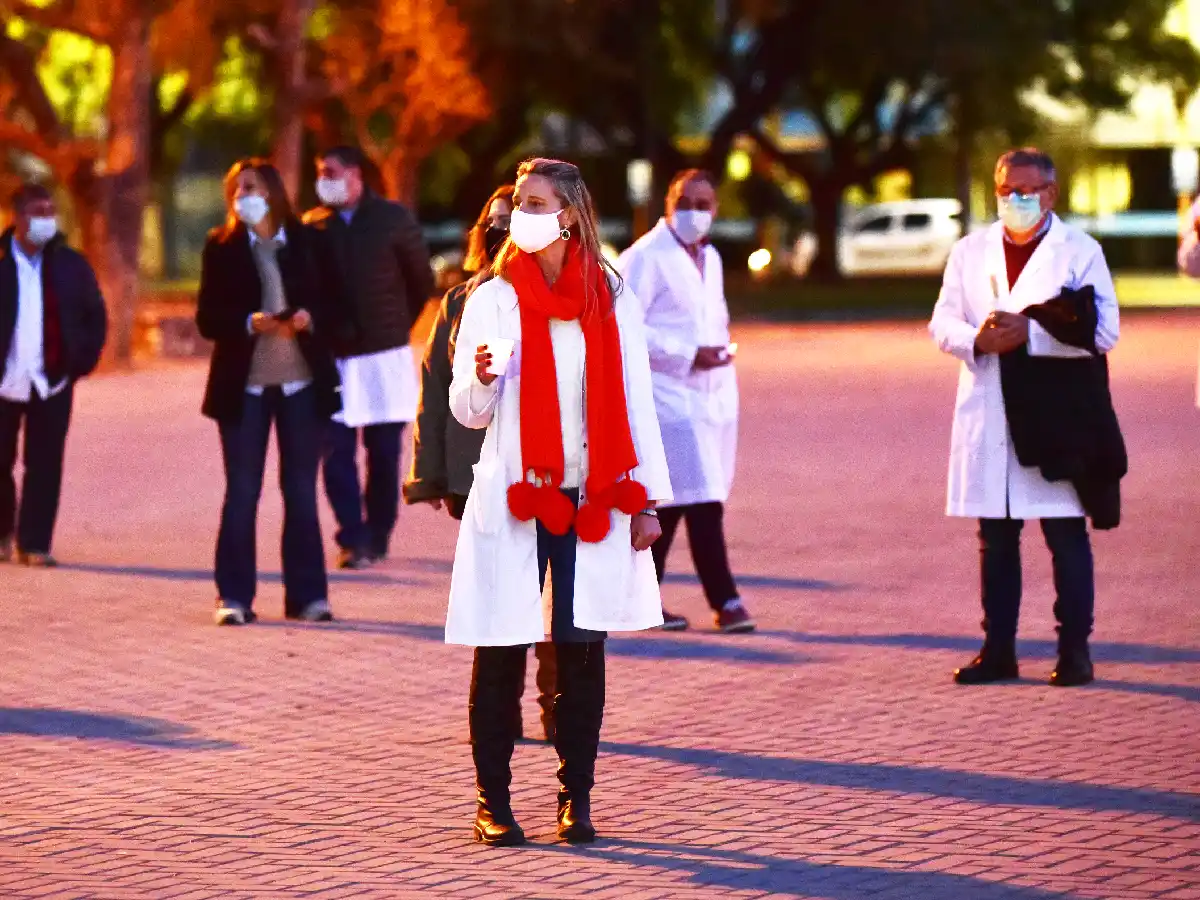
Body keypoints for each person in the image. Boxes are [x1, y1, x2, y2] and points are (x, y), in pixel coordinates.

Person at [447, 158, 671, 847]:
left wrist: (648, 502)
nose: (522, 211)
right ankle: (493, 802)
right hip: (516, 493)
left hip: (592, 496)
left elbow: (636, 399)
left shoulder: (610, 294)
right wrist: (482, 379)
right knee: (502, 644)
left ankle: (576, 799)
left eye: (537, 200)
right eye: (519, 200)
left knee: (580, 650)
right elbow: (466, 410)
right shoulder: (492, 298)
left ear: (570, 213)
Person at [929, 147, 1121, 688]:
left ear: (1050, 194)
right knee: (996, 537)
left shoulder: (1078, 251)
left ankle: (1075, 651)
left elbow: (1105, 333)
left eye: (1027, 191)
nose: (1015, 201)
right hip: (989, 411)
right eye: (1006, 191)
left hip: (1054, 418)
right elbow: (942, 320)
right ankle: (999, 650)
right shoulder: (970, 251)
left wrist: (1031, 334)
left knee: (1064, 534)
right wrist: (977, 339)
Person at [405, 184, 558, 743]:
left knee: (551, 598)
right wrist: (432, 475)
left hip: (550, 474)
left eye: (510, 220)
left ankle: (555, 708)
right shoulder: (461, 302)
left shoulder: (561, 297)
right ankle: (504, 713)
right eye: (492, 223)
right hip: (480, 477)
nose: (501, 231)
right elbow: (436, 390)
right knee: (502, 599)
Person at [196, 159, 343, 626]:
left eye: (252, 188)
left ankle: (308, 597)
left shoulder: (307, 241)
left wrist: (307, 318)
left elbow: (335, 304)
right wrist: (247, 322)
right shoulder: (220, 247)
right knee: (242, 491)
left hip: (301, 383)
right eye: (237, 190)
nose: (244, 196)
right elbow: (207, 318)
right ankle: (233, 597)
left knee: (300, 491)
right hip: (243, 389)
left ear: (274, 193)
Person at [618, 169, 752, 634]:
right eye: (685, 201)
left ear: (715, 209)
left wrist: (714, 354)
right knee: (700, 499)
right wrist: (685, 354)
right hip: (665, 394)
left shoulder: (710, 258)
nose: (695, 211)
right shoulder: (645, 257)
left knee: (677, 501)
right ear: (668, 203)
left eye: (704, 202)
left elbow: (712, 318)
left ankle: (641, 598)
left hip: (709, 395)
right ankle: (726, 599)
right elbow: (626, 325)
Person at [304, 145, 436, 570]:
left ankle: (378, 534)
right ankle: (351, 536)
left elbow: (420, 281)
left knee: (383, 454)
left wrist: (395, 327)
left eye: (331, 170)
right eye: (320, 172)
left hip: (384, 356)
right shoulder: (313, 227)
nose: (324, 178)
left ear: (356, 175)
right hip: (334, 357)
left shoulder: (392, 220)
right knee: (336, 452)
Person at [0, 183, 107, 567]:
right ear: (17, 216)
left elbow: (95, 317)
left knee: (45, 462)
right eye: (36, 211)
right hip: (5, 380)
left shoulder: (70, 265)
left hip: (53, 379)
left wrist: (79, 364)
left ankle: (34, 542)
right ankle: (2, 533)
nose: (45, 219)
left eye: (50, 211)